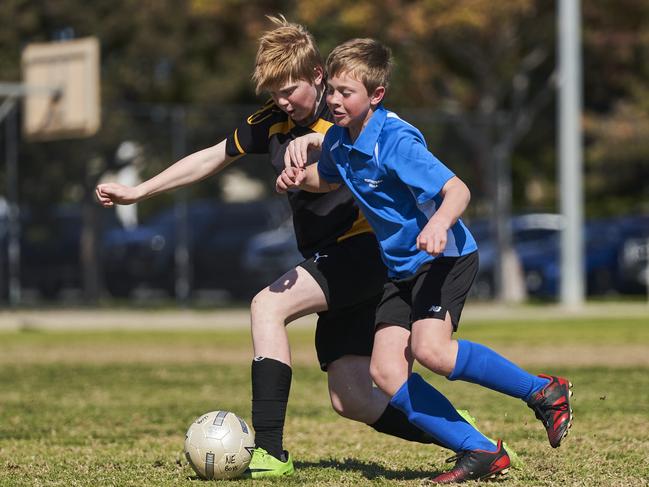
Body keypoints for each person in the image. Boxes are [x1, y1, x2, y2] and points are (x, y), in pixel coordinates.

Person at [95, 16, 493, 479]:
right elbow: (212, 156)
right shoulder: (274, 121)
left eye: (290, 89)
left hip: (365, 251)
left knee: (266, 307)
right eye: (273, 91)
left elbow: (375, 149)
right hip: (330, 257)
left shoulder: (348, 115)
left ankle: (268, 451)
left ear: (318, 77)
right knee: (353, 397)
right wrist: (140, 190)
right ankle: (471, 440)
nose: (282, 100)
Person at [278, 38, 573, 484]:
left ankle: (545, 391)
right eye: (332, 90)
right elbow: (327, 179)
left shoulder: (394, 140)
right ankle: (478, 449)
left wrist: (437, 224)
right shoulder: (339, 140)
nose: (335, 101)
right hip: (400, 268)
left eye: (346, 92)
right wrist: (299, 177)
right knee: (386, 371)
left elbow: (458, 191)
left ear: (376, 95)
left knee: (433, 351)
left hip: (444, 258)